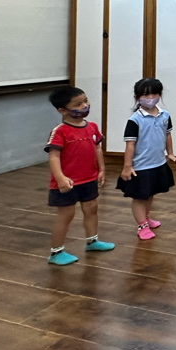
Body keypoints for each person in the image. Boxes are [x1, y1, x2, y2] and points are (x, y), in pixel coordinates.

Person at [44, 86, 114, 265]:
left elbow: (97, 148)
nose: (84, 106)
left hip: (89, 179)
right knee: (66, 215)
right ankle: (56, 252)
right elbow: (54, 156)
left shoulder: (92, 127)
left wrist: (101, 169)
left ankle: (92, 241)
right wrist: (60, 178)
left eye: (85, 101)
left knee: (91, 209)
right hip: (67, 183)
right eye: (78, 104)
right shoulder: (60, 131)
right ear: (62, 110)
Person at [117, 78, 176, 239]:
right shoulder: (134, 120)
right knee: (139, 197)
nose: (150, 98)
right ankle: (142, 225)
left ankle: (145, 217)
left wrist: (170, 153)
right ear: (137, 97)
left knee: (150, 193)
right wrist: (127, 166)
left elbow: (167, 134)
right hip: (140, 167)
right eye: (146, 95)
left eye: (154, 94)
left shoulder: (164, 115)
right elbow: (130, 144)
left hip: (158, 163)